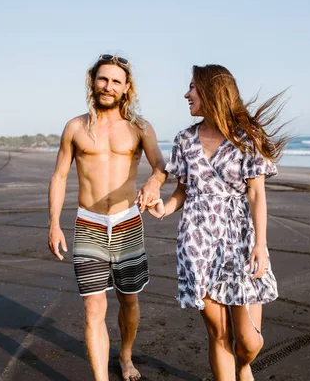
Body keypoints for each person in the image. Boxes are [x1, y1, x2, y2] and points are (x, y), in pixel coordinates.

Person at [146, 64, 287, 380]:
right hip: (196, 244)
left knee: (247, 343)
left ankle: (245, 365)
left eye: (192, 87)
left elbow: (256, 196)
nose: (186, 94)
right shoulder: (184, 139)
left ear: (211, 92)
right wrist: (164, 208)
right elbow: (182, 191)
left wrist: (260, 246)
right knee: (218, 335)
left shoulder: (247, 138)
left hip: (239, 242)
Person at [47, 54, 166, 381]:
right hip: (89, 225)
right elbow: (59, 176)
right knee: (93, 309)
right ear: (92, 81)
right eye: (103, 79)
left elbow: (161, 166)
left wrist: (154, 182)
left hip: (127, 223)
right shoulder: (75, 127)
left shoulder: (140, 127)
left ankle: (125, 356)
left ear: (127, 87)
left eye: (116, 81)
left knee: (129, 299)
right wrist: (54, 223)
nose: (108, 86)